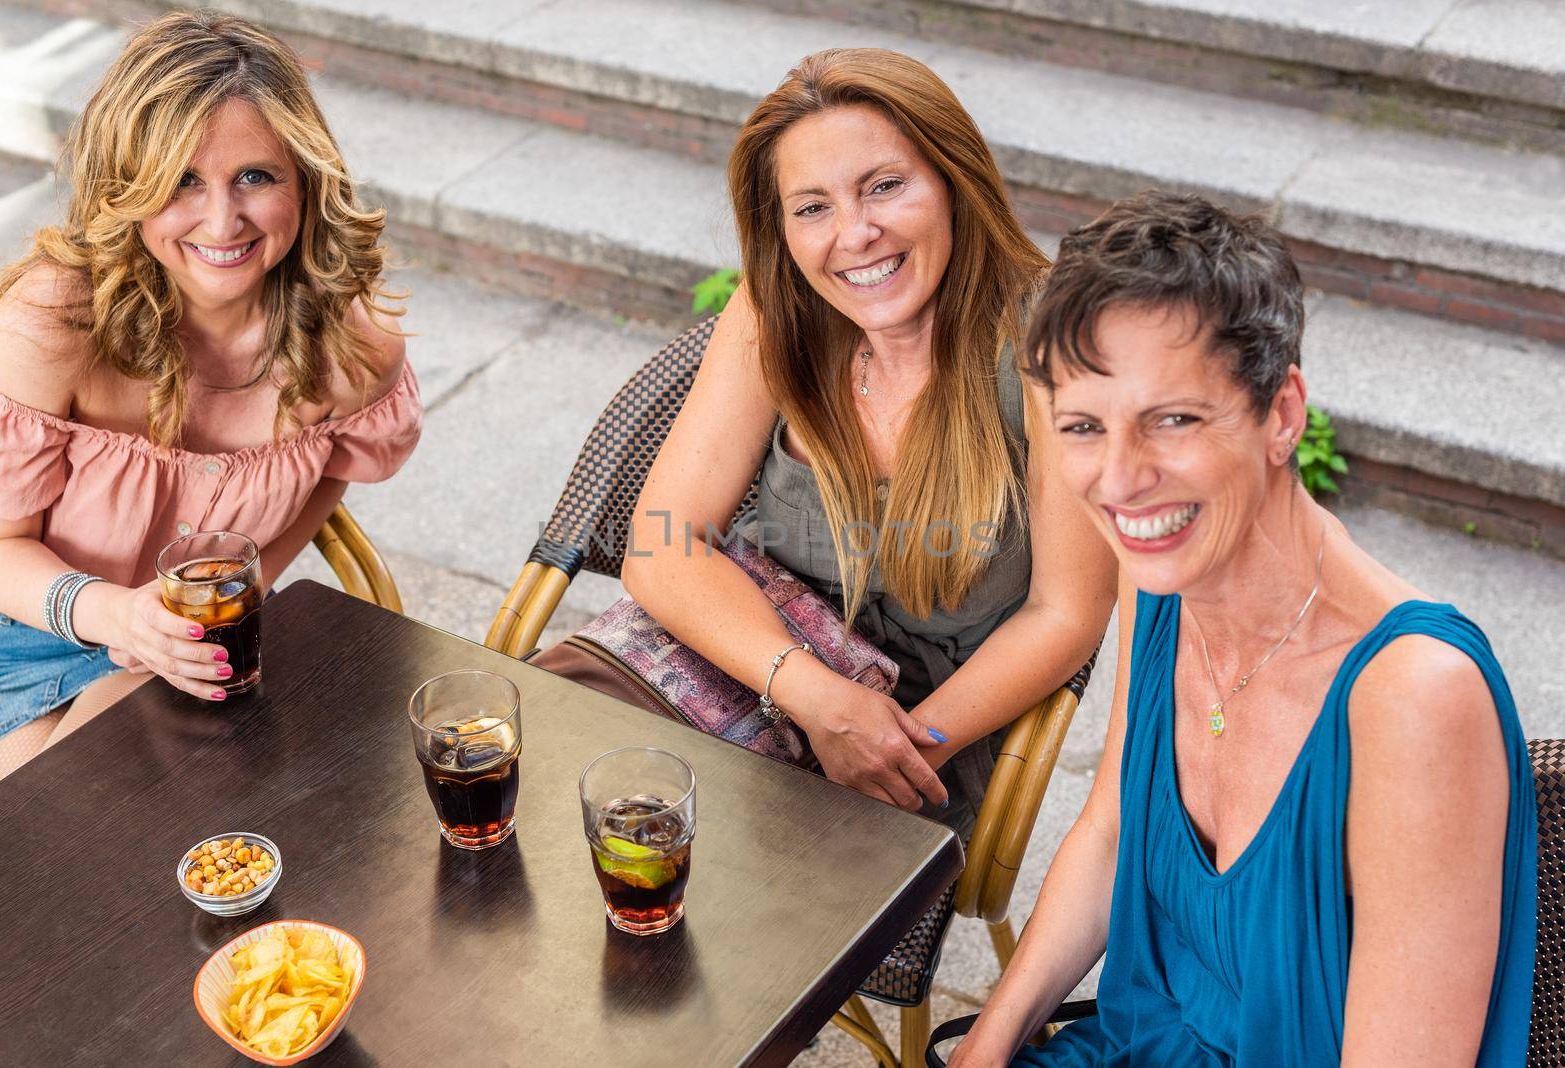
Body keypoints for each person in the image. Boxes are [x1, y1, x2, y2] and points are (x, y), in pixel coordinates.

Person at [949, 190, 1535, 1066]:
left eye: (1172, 418)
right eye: (1082, 427)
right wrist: (987, 1048)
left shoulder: (1415, 696)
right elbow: (1109, 834)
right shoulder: (1163, 583)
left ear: (1282, 414)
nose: (1120, 480)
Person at [620, 48, 1115, 828]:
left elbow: (1064, 614)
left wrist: (904, 747)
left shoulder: (1054, 349)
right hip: (742, 660)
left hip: (922, 740)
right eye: (812, 207)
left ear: (954, 181)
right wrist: (816, 697)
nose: (855, 234)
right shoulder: (776, 310)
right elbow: (661, 544)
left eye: (884, 186)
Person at [0, 11, 421, 800]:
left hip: (178, 650)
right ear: (125, 187)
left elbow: (329, 474)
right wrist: (121, 617)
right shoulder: (56, 321)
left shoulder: (354, 350)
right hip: (6, 634)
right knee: (31, 854)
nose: (222, 222)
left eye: (255, 176)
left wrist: (248, 587)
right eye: (181, 180)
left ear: (306, 180)